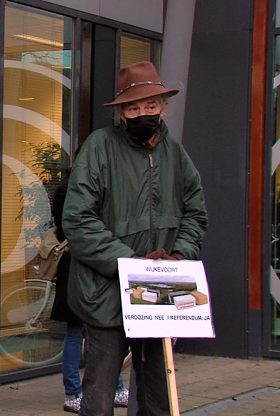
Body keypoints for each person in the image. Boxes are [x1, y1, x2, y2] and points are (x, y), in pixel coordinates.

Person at [61, 61, 208, 415]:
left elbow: (195, 213)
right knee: (99, 393)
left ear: (163, 107)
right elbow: (77, 219)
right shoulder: (99, 147)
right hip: (105, 292)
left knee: (157, 392)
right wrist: (127, 262)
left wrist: (180, 254)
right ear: (122, 113)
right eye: (134, 107)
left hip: (160, 294)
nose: (143, 113)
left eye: (150, 106)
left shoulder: (176, 153)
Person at [50, 170, 128, 414]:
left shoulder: (83, 190)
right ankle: (73, 391)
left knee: (102, 330)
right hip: (77, 268)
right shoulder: (71, 192)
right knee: (77, 330)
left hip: (93, 269)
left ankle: (114, 387)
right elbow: (74, 229)